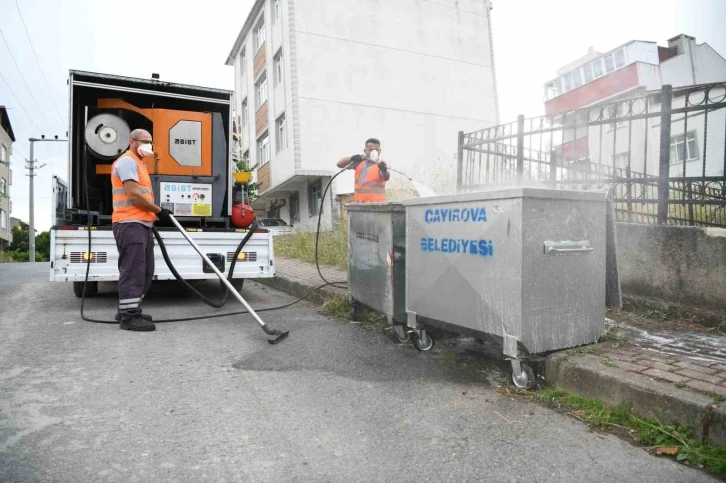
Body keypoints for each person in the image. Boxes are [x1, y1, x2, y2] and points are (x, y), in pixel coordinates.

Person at [111, 129, 173, 332]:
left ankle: (128, 309)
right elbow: (135, 196)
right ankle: (129, 318)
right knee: (133, 271)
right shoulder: (127, 161)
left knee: (146, 272)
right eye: (144, 141)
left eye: (150, 142)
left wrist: (154, 215)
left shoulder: (139, 164)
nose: (148, 145)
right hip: (130, 224)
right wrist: (160, 211)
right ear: (132, 141)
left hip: (142, 224)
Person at [337, 138, 390, 202]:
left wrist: (384, 170)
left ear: (380, 151)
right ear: (365, 151)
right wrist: (351, 158)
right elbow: (339, 164)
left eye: (377, 150)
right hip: (359, 205)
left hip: (377, 205)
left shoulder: (382, 164)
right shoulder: (359, 162)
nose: (374, 152)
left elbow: (386, 177)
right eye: (371, 150)